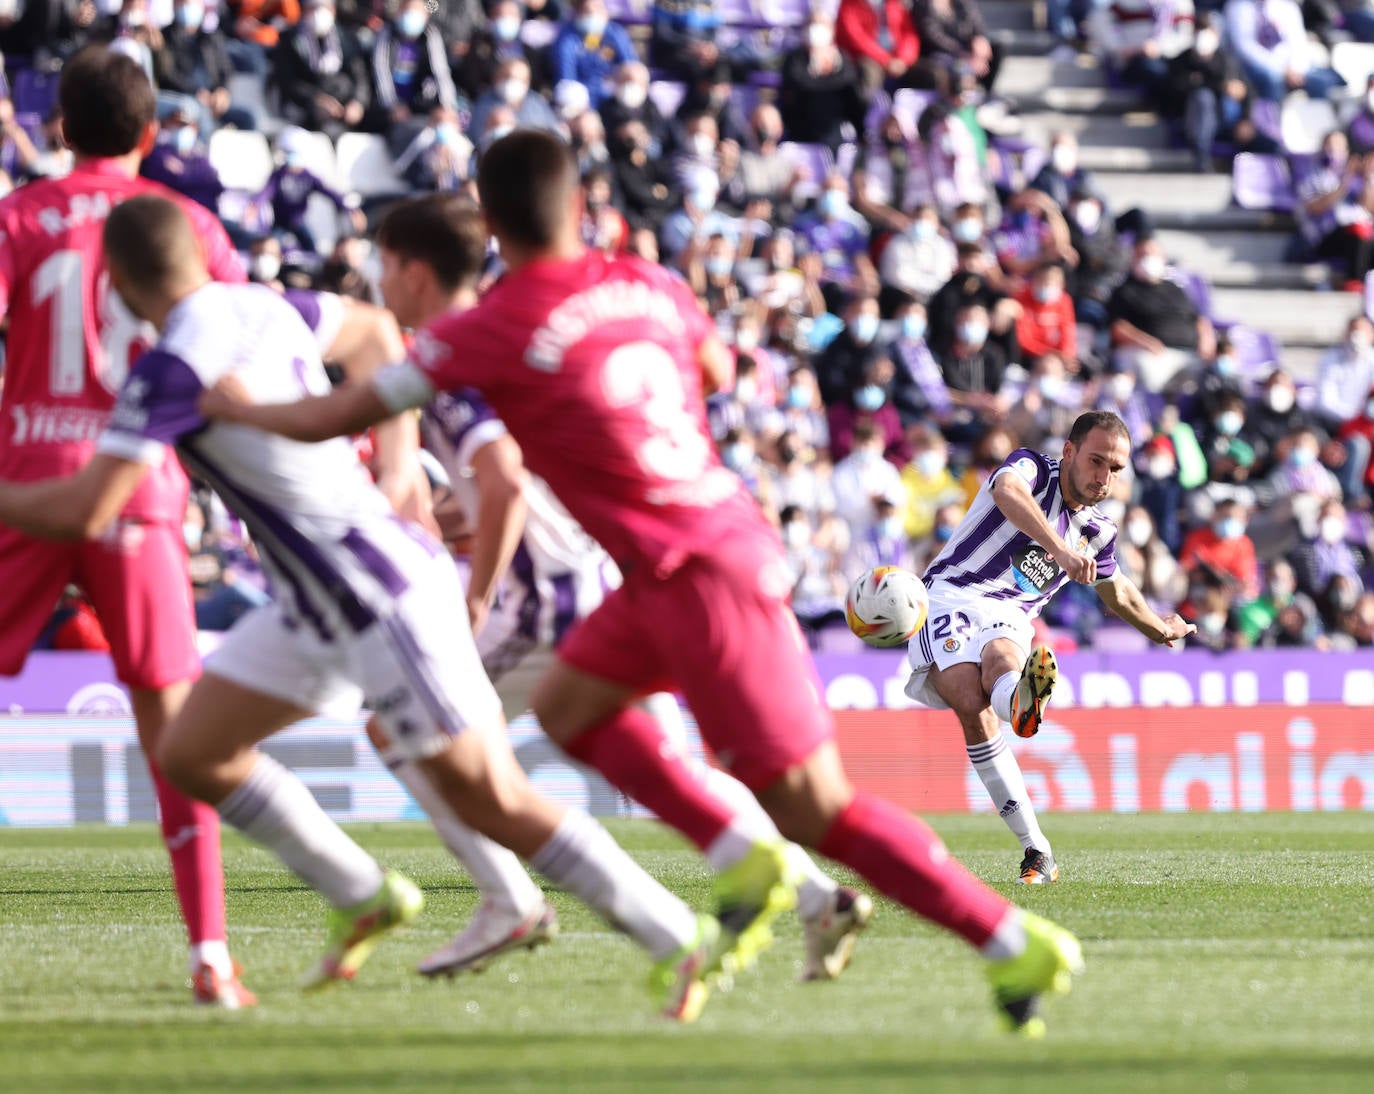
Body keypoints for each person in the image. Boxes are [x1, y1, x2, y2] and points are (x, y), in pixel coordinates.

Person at [201, 129, 1091, 1036]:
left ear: (493, 224)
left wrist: (234, 405)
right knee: (567, 706)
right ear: (580, 206)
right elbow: (713, 368)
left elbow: (335, 413)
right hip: (664, 566)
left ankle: (1011, 939)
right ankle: (740, 861)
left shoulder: (487, 329)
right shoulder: (647, 282)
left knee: (815, 806)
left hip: (704, 574)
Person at [0, 193, 730, 1023]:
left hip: (383, 599)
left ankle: (677, 932)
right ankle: (363, 893)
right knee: (194, 749)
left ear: (120, 281)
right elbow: (377, 335)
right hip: (314, 607)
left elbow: (87, 512)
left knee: (492, 793)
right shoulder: (270, 305)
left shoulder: (170, 367)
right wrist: (396, 469)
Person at [366, 193, 868, 982]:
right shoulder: (522, 326)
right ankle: (812, 894)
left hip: (543, 597)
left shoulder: (458, 356)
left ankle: (507, 897)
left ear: (414, 271)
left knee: (399, 727)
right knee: (668, 759)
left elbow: (500, 482)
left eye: (382, 262)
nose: (374, 276)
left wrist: (474, 595)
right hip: (602, 581)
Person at [0, 47, 250, 1007]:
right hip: (140, 488)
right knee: (173, 729)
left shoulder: (19, 218)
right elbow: (231, 351)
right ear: (152, 136)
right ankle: (212, 958)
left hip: (25, 482)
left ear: (58, 127)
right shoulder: (191, 226)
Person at [906, 412, 1196, 883]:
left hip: (1010, 614)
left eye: (1115, 469)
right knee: (965, 695)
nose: (1103, 476)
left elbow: (1117, 591)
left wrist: (1159, 630)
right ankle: (1036, 845)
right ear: (1069, 452)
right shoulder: (1032, 468)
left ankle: (1020, 702)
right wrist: (1058, 549)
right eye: (1095, 461)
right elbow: (1006, 493)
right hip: (950, 593)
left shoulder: (1099, 532)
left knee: (1002, 661)